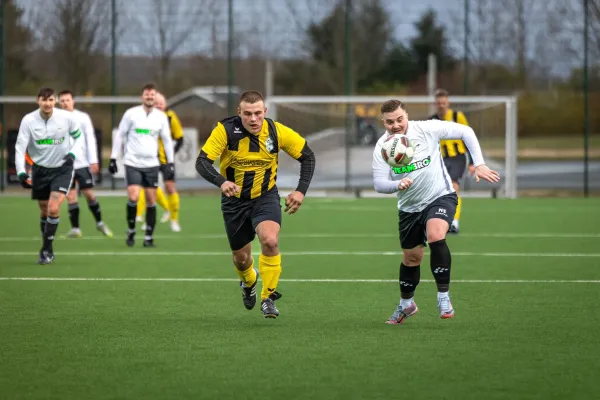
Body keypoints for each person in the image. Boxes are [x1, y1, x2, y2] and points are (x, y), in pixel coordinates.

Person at [372, 99, 499, 324]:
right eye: (390, 122)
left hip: (440, 195)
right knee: (412, 258)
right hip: (409, 208)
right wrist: (396, 185)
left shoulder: (427, 128)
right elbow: (379, 183)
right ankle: (406, 305)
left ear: (406, 115)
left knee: (436, 235)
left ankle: (443, 296)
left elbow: (466, 132)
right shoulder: (382, 146)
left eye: (400, 119)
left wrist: (478, 163)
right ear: (384, 122)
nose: (396, 125)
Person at [195, 90, 316, 319]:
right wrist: (222, 182)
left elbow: (307, 156)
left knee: (270, 241)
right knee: (241, 260)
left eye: (258, 113)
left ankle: (267, 297)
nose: (253, 119)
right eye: (248, 114)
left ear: (265, 112)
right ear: (239, 112)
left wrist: (300, 191)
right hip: (234, 202)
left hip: (265, 196)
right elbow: (202, 162)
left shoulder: (276, 131)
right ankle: (249, 281)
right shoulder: (225, 130)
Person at [14, 87, 85, 264]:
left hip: (62, 169)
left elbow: (79, 137)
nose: (47, 103)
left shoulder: (67, 118)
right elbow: (20, 147)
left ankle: (45, 250)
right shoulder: (28, 120)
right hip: (40, 170)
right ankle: (49, 247)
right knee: (44, 210)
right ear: (37, 100)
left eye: (51, 100)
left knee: (54, 207)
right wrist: (21, 172)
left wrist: (72, 155)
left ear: (55, 101)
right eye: (44, 100)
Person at [108, 83, 174, 248]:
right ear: (142, 97)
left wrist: (170, 163)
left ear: (155, 97)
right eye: (147, 95)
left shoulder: (161, 117)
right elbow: (120, 135)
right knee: (133, 196)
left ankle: (149, 237)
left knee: (151, 200)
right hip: (132, 162)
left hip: (152, 163)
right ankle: (131, 230)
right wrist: (113, 158)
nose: (150, 97)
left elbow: (166, 140)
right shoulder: (131, 114)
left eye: (152, 95)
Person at [58, 90, 113, 238]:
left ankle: (100, 223)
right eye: (62, 101)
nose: (64, 103)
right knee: (70, 196)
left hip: (81, 163)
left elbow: (90, 138)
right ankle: (76, 229)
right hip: (64, 165)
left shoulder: (82, 117)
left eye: (67, 100)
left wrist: (93, 160)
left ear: (73, 101)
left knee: (88, 193)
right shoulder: (55, 118)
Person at [136, 92, 184, 232]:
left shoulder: (170, 117)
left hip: (165, 160)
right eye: (156, 103)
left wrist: (171, 155)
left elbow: (180, 138)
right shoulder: (144, 116)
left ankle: (174, 220)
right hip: (149, 158)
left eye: (161, 104)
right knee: (148, 189)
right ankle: (146, 220)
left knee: (170, 188)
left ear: (165, 105)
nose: (158, 106)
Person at [430, 89, 475, 233]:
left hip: (457, 157)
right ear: (435, 104)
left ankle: (454, 222)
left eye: (444, 102)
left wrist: (473, 162)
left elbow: (468, 137)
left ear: (448, 102)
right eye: (439, 103)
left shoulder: (457, 116)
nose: (441, 105)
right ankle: (442, 221)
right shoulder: (431, 120)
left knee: (454, 186)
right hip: (440, 159)